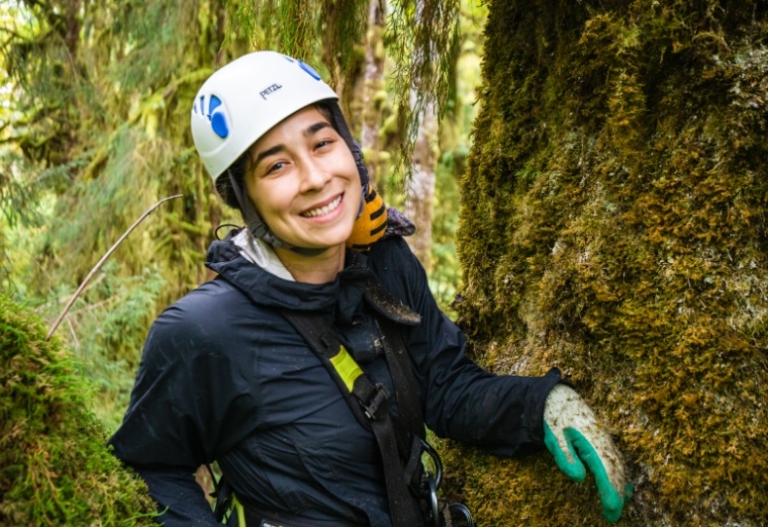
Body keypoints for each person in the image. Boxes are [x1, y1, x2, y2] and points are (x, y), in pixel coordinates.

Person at [109, 51, 630, 527]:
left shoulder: (384, 263)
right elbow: (152, 468)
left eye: (322, 142)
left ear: (350, 149)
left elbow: (446, 387)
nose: (315, 177)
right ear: (243, 197)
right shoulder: (204, 330)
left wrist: (540, 405)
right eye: (277, 165)